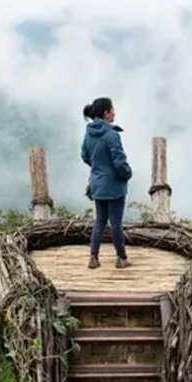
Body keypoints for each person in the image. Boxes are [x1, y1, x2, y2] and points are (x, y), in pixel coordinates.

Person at [81, 97, 132, 269]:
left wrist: (98, 168)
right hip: (114, 186)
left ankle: (93, 257)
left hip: (97, 184)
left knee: (100, 221)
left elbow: (85, 156)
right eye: (112, 110)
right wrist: (126, 173)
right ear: (105, 113)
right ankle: (121, 258)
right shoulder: (112, 135)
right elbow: (119, 161)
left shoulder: (89, 132)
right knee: (116, 223)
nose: (114, 113)